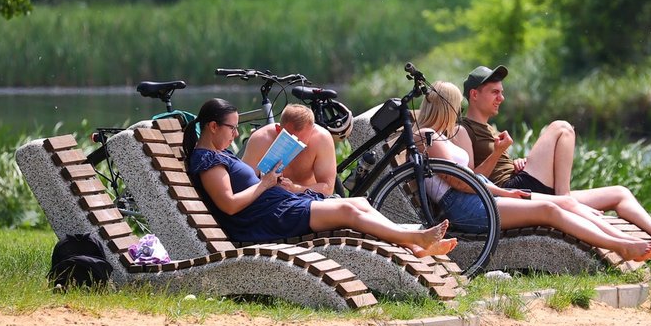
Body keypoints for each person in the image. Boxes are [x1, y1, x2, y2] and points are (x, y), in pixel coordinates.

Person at [459, 66, 651, 257]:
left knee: (619, 193)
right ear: (474, 94)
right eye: (494, 92)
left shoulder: (490, 128)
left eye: (502, 92)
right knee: (562, 128)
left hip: (527, 185)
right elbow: (471, 179)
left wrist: (515, 161)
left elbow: (497, 164)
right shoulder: (464, 130)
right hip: (513, 193)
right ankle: (573, 203)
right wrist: (498, 153)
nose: (501, 98)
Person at [417, 82, 651, 262]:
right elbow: (459, 182)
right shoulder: (428, 136)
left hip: (479, 196)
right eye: (455, 106)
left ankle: (624, 240)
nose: (457, 113)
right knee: (550, 210)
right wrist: (498, 191)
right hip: (465, 206)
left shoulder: (441, 136)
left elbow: (467, 178)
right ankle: (622, 246)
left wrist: (503, 191)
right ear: (446, 107)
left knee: (563, 202)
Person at [183, 98, 456, 257]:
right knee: (347, 209)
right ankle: (415, 240)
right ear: (213, 126)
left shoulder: (219, 155)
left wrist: (270, 183)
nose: (234, 135)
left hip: (277, 206)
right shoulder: (208, 160)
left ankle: (414, 240)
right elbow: (229, 204)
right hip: (267, 219)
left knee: (359, 202)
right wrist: (265, 184)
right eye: (231, 128)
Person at [241, 104, 337, 195]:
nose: (295, 147)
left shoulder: (321, 139)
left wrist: (294, 189)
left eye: (300, 143)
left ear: (312, 130)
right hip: (269, 198)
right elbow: (243, 183)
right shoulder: (260, 138)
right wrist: (265, 184)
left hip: (307, 198)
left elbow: (327, 188)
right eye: (290, 140)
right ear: (278, 129)